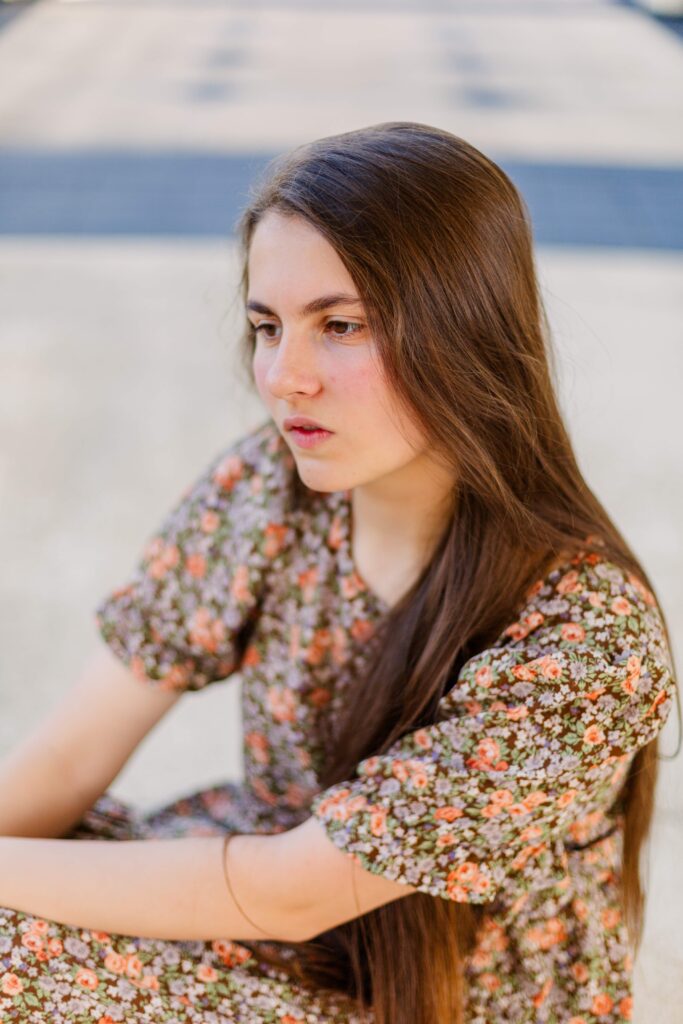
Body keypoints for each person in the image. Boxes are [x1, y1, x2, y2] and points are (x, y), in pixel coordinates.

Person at [0, 121, 678, 1024]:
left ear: (464, 328)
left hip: (424, 998)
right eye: (267, 327)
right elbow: (74, 752)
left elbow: (291, 890)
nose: (283, 376)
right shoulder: (268, 488)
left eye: (341, 326)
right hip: (257, 913)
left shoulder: (585, 637)